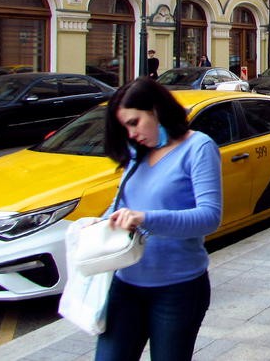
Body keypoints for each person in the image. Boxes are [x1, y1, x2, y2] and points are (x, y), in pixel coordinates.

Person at [96, 78, 222, 361]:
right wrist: (102, 222)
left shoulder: (198, 147)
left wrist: (144, 218)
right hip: (125, 283)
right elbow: (124, 205)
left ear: (155, 109)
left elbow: (209, 217)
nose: (131, 133)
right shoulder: (136, 153)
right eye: (125, 127)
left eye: (134, 122)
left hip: (177, 290)